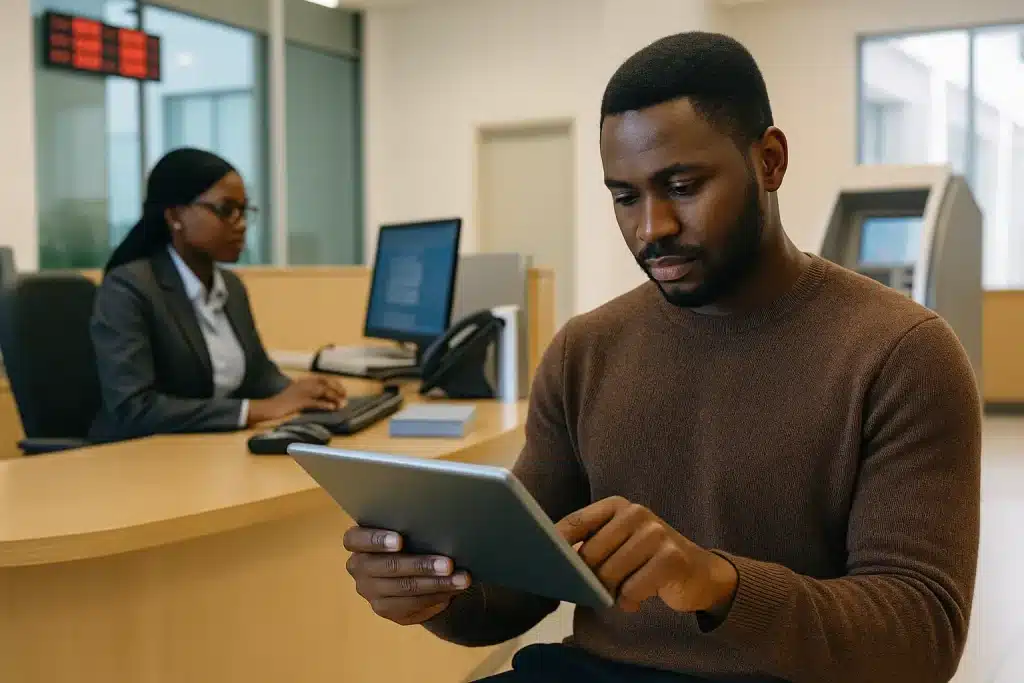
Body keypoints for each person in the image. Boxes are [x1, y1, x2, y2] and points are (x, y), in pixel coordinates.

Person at [344, 32, 981, 683]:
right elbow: (523, 583)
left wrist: (716, 582)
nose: (652, 227)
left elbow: (920, 636)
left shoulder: (903, 354)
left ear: (769, 161)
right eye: (625, 196)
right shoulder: (585, 351)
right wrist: (437, 588)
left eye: (681, 185)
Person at [90, 148, 345, 441]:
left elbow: (259, 377)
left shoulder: (231, 288)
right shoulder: (128, 289)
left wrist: (301, 391)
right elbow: (134, 409)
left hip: (207, 452)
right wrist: (259, 410)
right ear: (175, 216)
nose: (241, 223)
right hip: (136, 460)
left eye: (244, 210)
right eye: (226, 210)